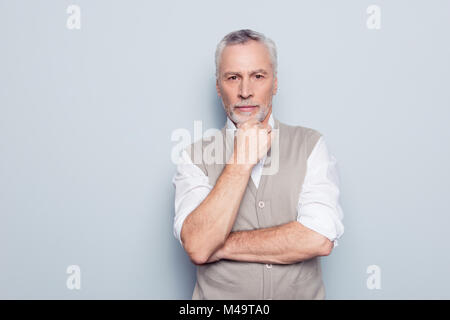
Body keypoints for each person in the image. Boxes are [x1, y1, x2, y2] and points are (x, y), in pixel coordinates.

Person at [172, 29, 344, 300]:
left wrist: (218, 246)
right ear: (218, 86)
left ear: (275, 83)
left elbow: (318, 237)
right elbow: (196, 245)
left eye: (258, 76)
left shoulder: (311, 145)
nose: (245, 91)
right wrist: (241, 162)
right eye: (233, 78)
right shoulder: (193, 157)